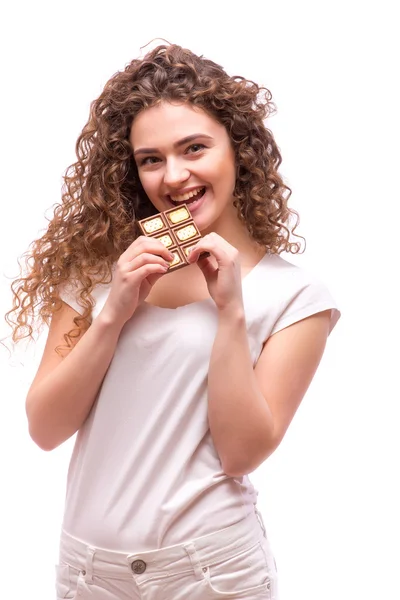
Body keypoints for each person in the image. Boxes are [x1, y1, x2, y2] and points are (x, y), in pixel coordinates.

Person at [6, 42, 340, 600]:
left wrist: (231, 313)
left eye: (195, 148)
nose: (174, 176)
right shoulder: (100, 273)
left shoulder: (294, 296)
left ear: (239, 151)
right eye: (151, 159)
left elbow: (241, 453)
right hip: (87, 573)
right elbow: (44, 429)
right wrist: (113, 313)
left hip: (211, 571)